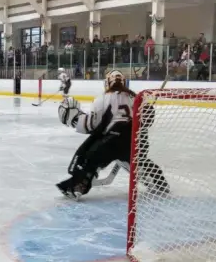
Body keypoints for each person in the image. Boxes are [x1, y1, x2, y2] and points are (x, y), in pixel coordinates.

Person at [56, 70, 169, 200]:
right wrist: (149, 111)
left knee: (91, 157)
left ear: (107, 83)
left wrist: (74, 119)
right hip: (135, 142)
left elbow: (92, 124)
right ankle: (160, 183)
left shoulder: (103, 98)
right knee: (141, 161)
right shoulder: (135, 98)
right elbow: (146, 121)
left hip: (113, 142)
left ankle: (77, 186)